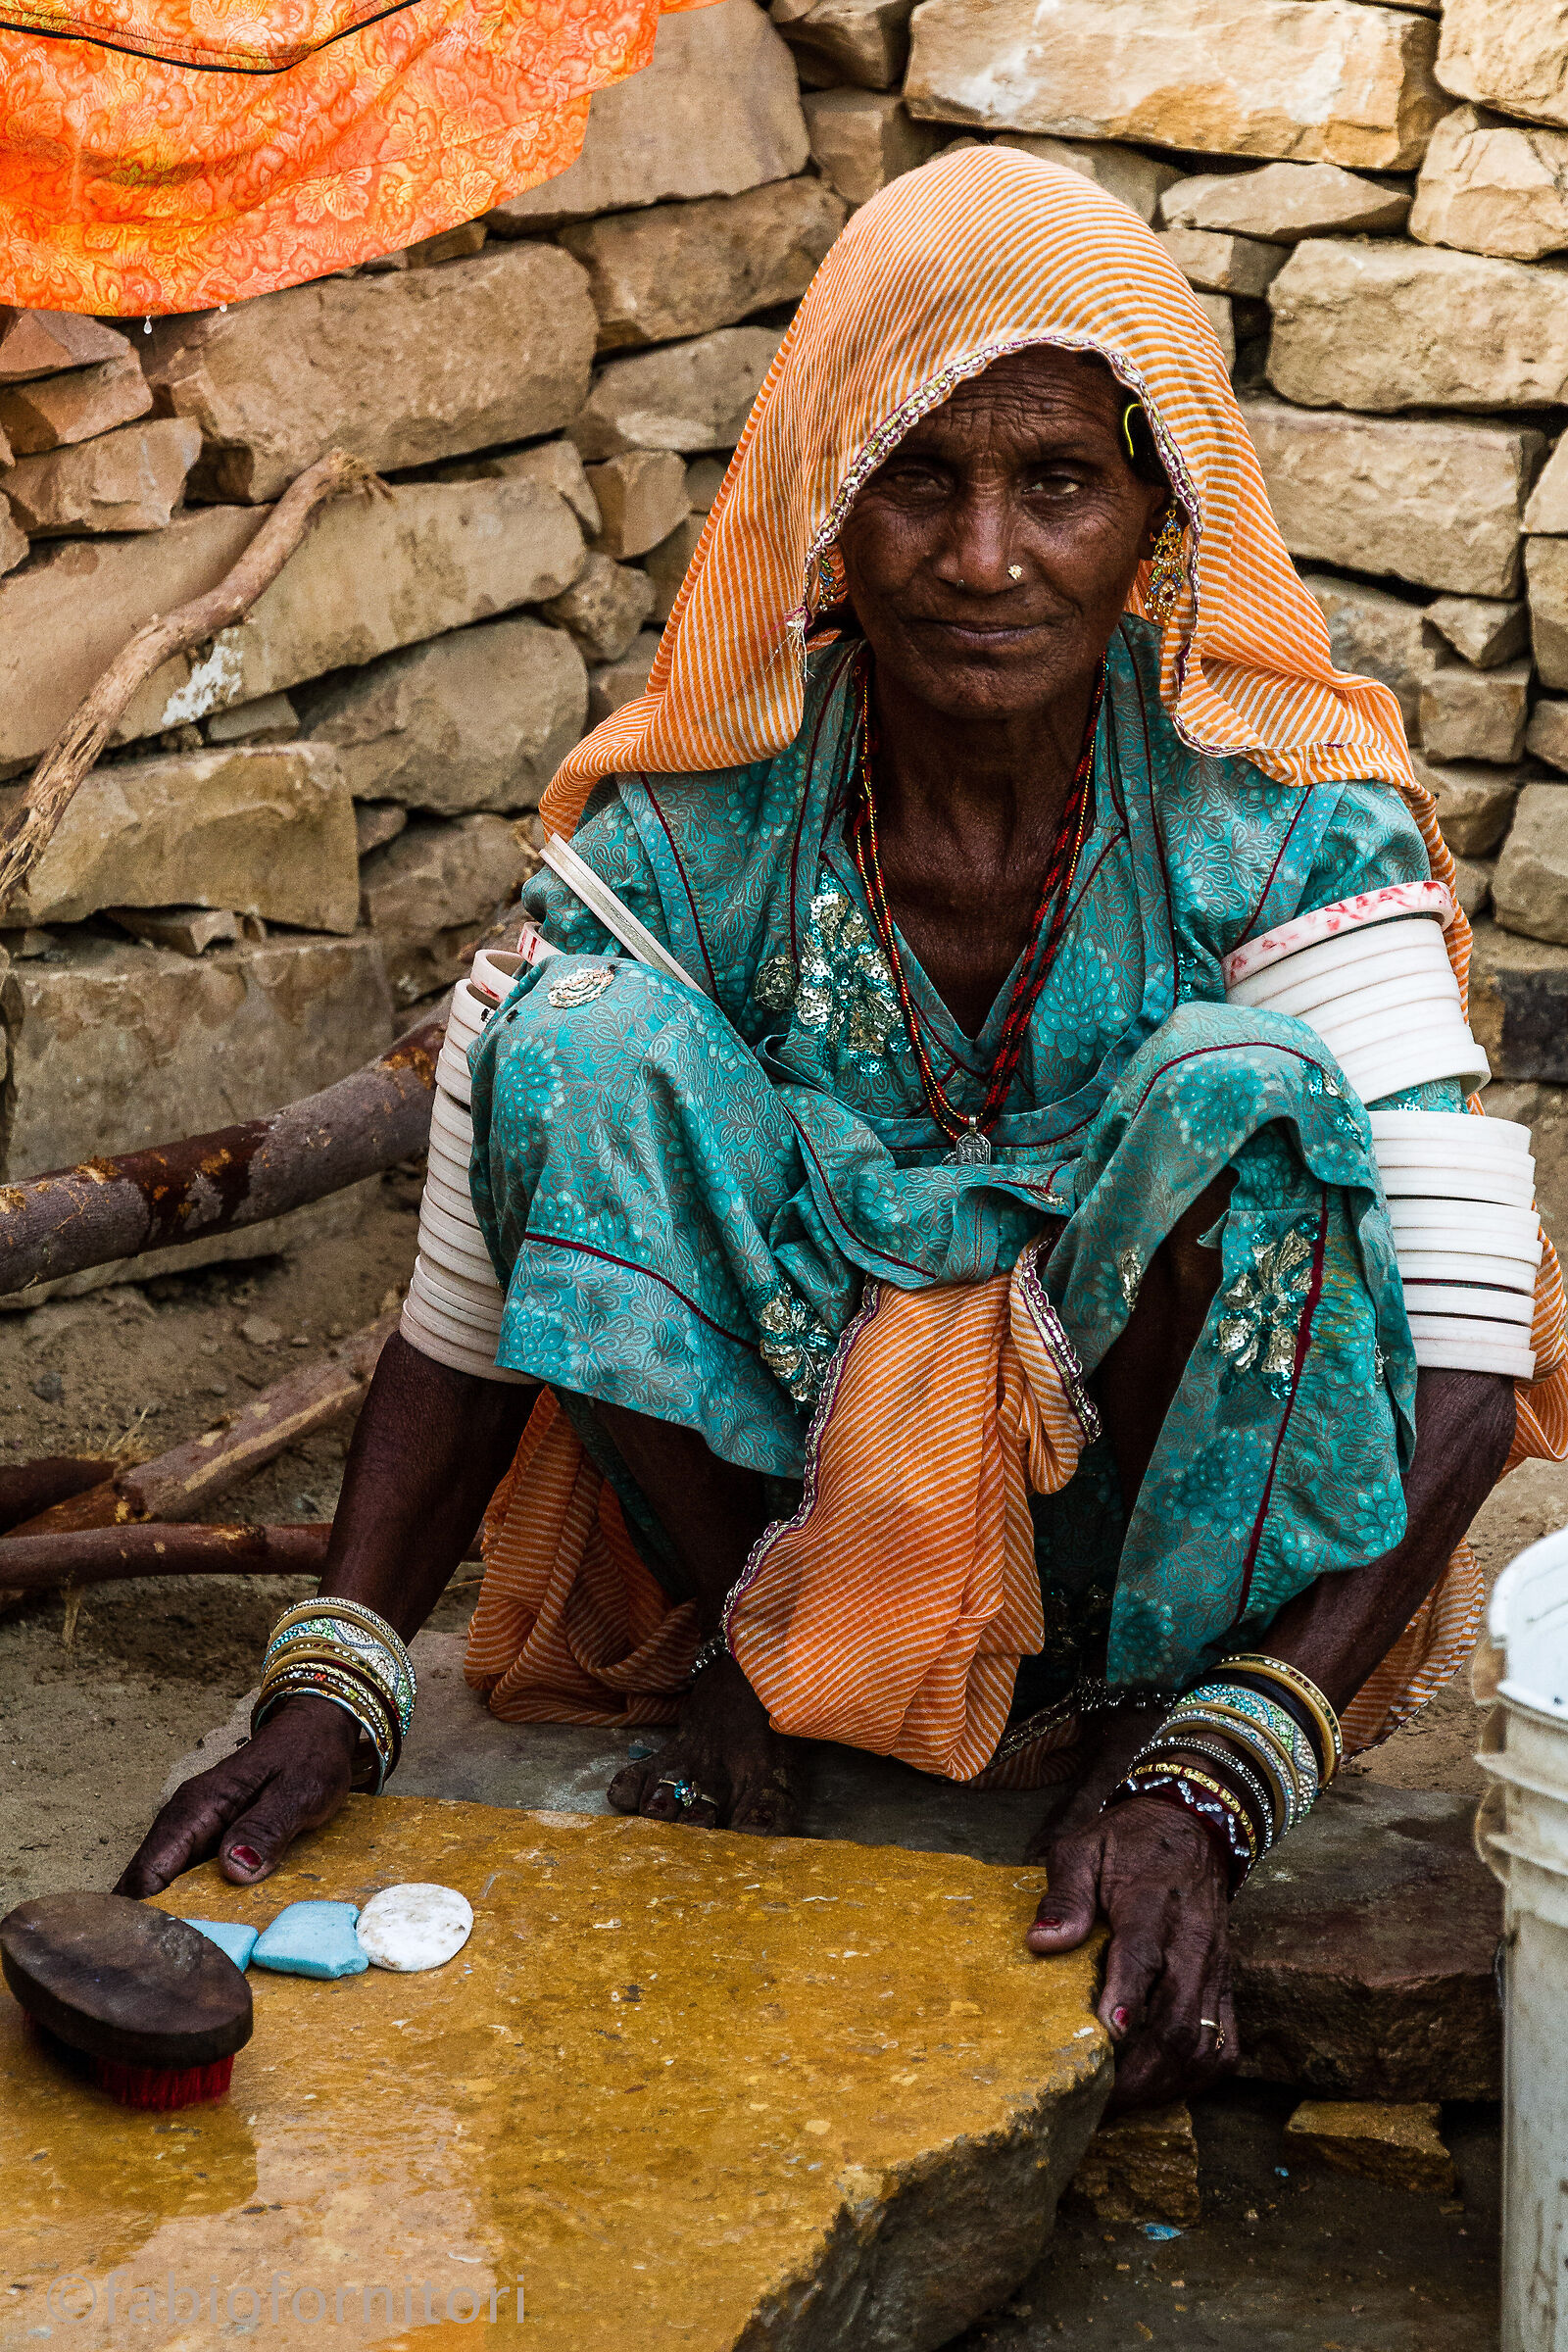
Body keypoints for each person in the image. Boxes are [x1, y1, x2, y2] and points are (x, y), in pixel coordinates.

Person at [122, 149, 1566, 2111]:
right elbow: (459, 1313)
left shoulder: (1278, 814)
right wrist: (334, 1678)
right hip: (775, 1546)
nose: (982, 557)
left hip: (1153, 1594)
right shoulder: (705, 816)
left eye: (1055, 483)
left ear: (1157, 513)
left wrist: (1229, 1767)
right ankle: (787, 1671)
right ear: (825, 500)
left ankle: (1138, 1718)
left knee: (1251, 1103)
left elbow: (1466, 1350)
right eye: (918, 478)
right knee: (570, 1043)